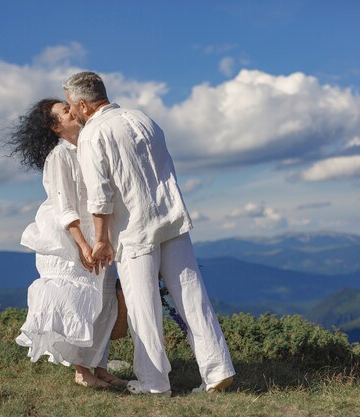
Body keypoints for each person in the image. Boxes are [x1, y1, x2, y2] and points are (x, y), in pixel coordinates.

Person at [63, 72, 235, 396]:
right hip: (170, 216)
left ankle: (154, 382)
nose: (72, 113)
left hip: (134, 228)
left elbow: (100, 196)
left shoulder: (93, 134)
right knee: (191, 295)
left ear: (84, 105)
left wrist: (101, 240)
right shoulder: (144, 119)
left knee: (143, 306)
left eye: (72, 107)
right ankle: (218, 370)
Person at [6, 98, 126, 389]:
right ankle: (81, 370)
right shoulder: (59, 157)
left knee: (103, 296)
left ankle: (99, 365)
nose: (72, 111)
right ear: (55, 127)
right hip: (69, 237)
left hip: (95, 233)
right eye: (64, 111)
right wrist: (83, 245)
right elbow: (64, 206)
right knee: (78, 300)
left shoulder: (88, 147)